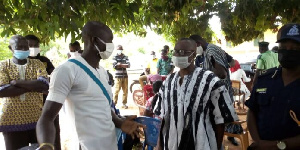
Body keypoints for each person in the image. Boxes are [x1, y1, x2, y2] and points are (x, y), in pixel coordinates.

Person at [36, 21, 144, 150]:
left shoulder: (102, 71)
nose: (111, 46)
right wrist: (46, 146)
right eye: (109, 41)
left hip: (109, 145)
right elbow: (47, 117)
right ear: (94, 41)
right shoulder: (67, 70)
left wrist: (120, 122)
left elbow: (102, 105)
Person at [153, 38, 238, 150]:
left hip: (203, 145)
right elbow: (161, 117)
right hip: (171, 144)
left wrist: (216, 147)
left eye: (183, 52)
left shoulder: (211, 81)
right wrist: (160, 146)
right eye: (176, 51)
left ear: (194, 55)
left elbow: (220, 121)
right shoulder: (168, 82)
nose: (178, 55)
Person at [246, 23, 300, 150]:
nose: (287, 51)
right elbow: (252, 111)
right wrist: (259, 142)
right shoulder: (265, 80)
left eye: (294, 49)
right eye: (284, 47)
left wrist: (277, 146)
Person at [0, 35, 49, 150]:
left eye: (25, 47)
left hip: (37, 120)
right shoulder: (3, 65)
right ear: (10, 48)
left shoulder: (37, 64)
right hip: (11, 121)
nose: (23, 49)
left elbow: (43, 84)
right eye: (19, 47)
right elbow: (3, 91)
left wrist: (16, 82)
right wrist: (32, 86)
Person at [190, 34, 240, 146]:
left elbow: (222, 73)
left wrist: (206, 77)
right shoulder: (201, 55)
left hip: (221, 93)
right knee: (217, 122)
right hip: (210, 95)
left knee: (223, 120)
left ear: (198, 44)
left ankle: (225, 141)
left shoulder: (211, 50)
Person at [25, 34, 61, 150]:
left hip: (48, 103)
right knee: (31, 137)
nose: (33, 48)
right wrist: (38, 86)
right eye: (30, 45)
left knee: (52, 134)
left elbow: (54, 75)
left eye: (36, 45)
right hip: (27, 108)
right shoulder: (20, 63)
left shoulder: (44, 61)